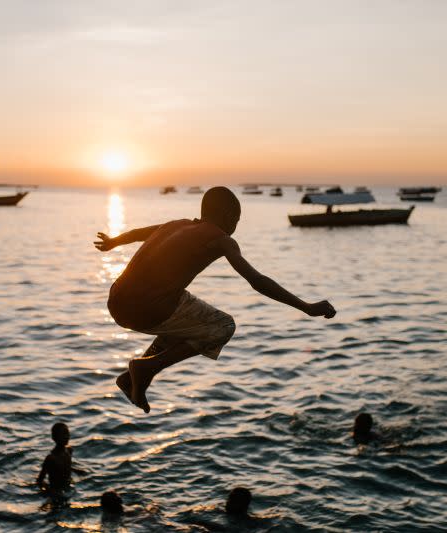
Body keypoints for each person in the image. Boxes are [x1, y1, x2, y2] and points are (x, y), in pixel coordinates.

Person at [95, 187, 336, 413]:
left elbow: (138, 234)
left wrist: (113, 241)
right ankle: (147, 368)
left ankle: (131, 378)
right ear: (227, 214)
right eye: (237, 219)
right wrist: (306, 307)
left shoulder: (175, 224)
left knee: (189, 317)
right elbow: (257, 280)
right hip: (147, 310)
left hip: (116, 301)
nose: (236, 225)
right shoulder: (221, 240)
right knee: (223, 326)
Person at [37, 423, 73, 490]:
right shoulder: (51, 458)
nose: (66, 436)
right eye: (63, 434)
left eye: (67, 433)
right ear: (54, 438)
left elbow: (66, 468)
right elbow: (39, 480)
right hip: (55, 491)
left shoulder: (69, 450)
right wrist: (47, 490)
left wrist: (77, 471)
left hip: (68, 486)